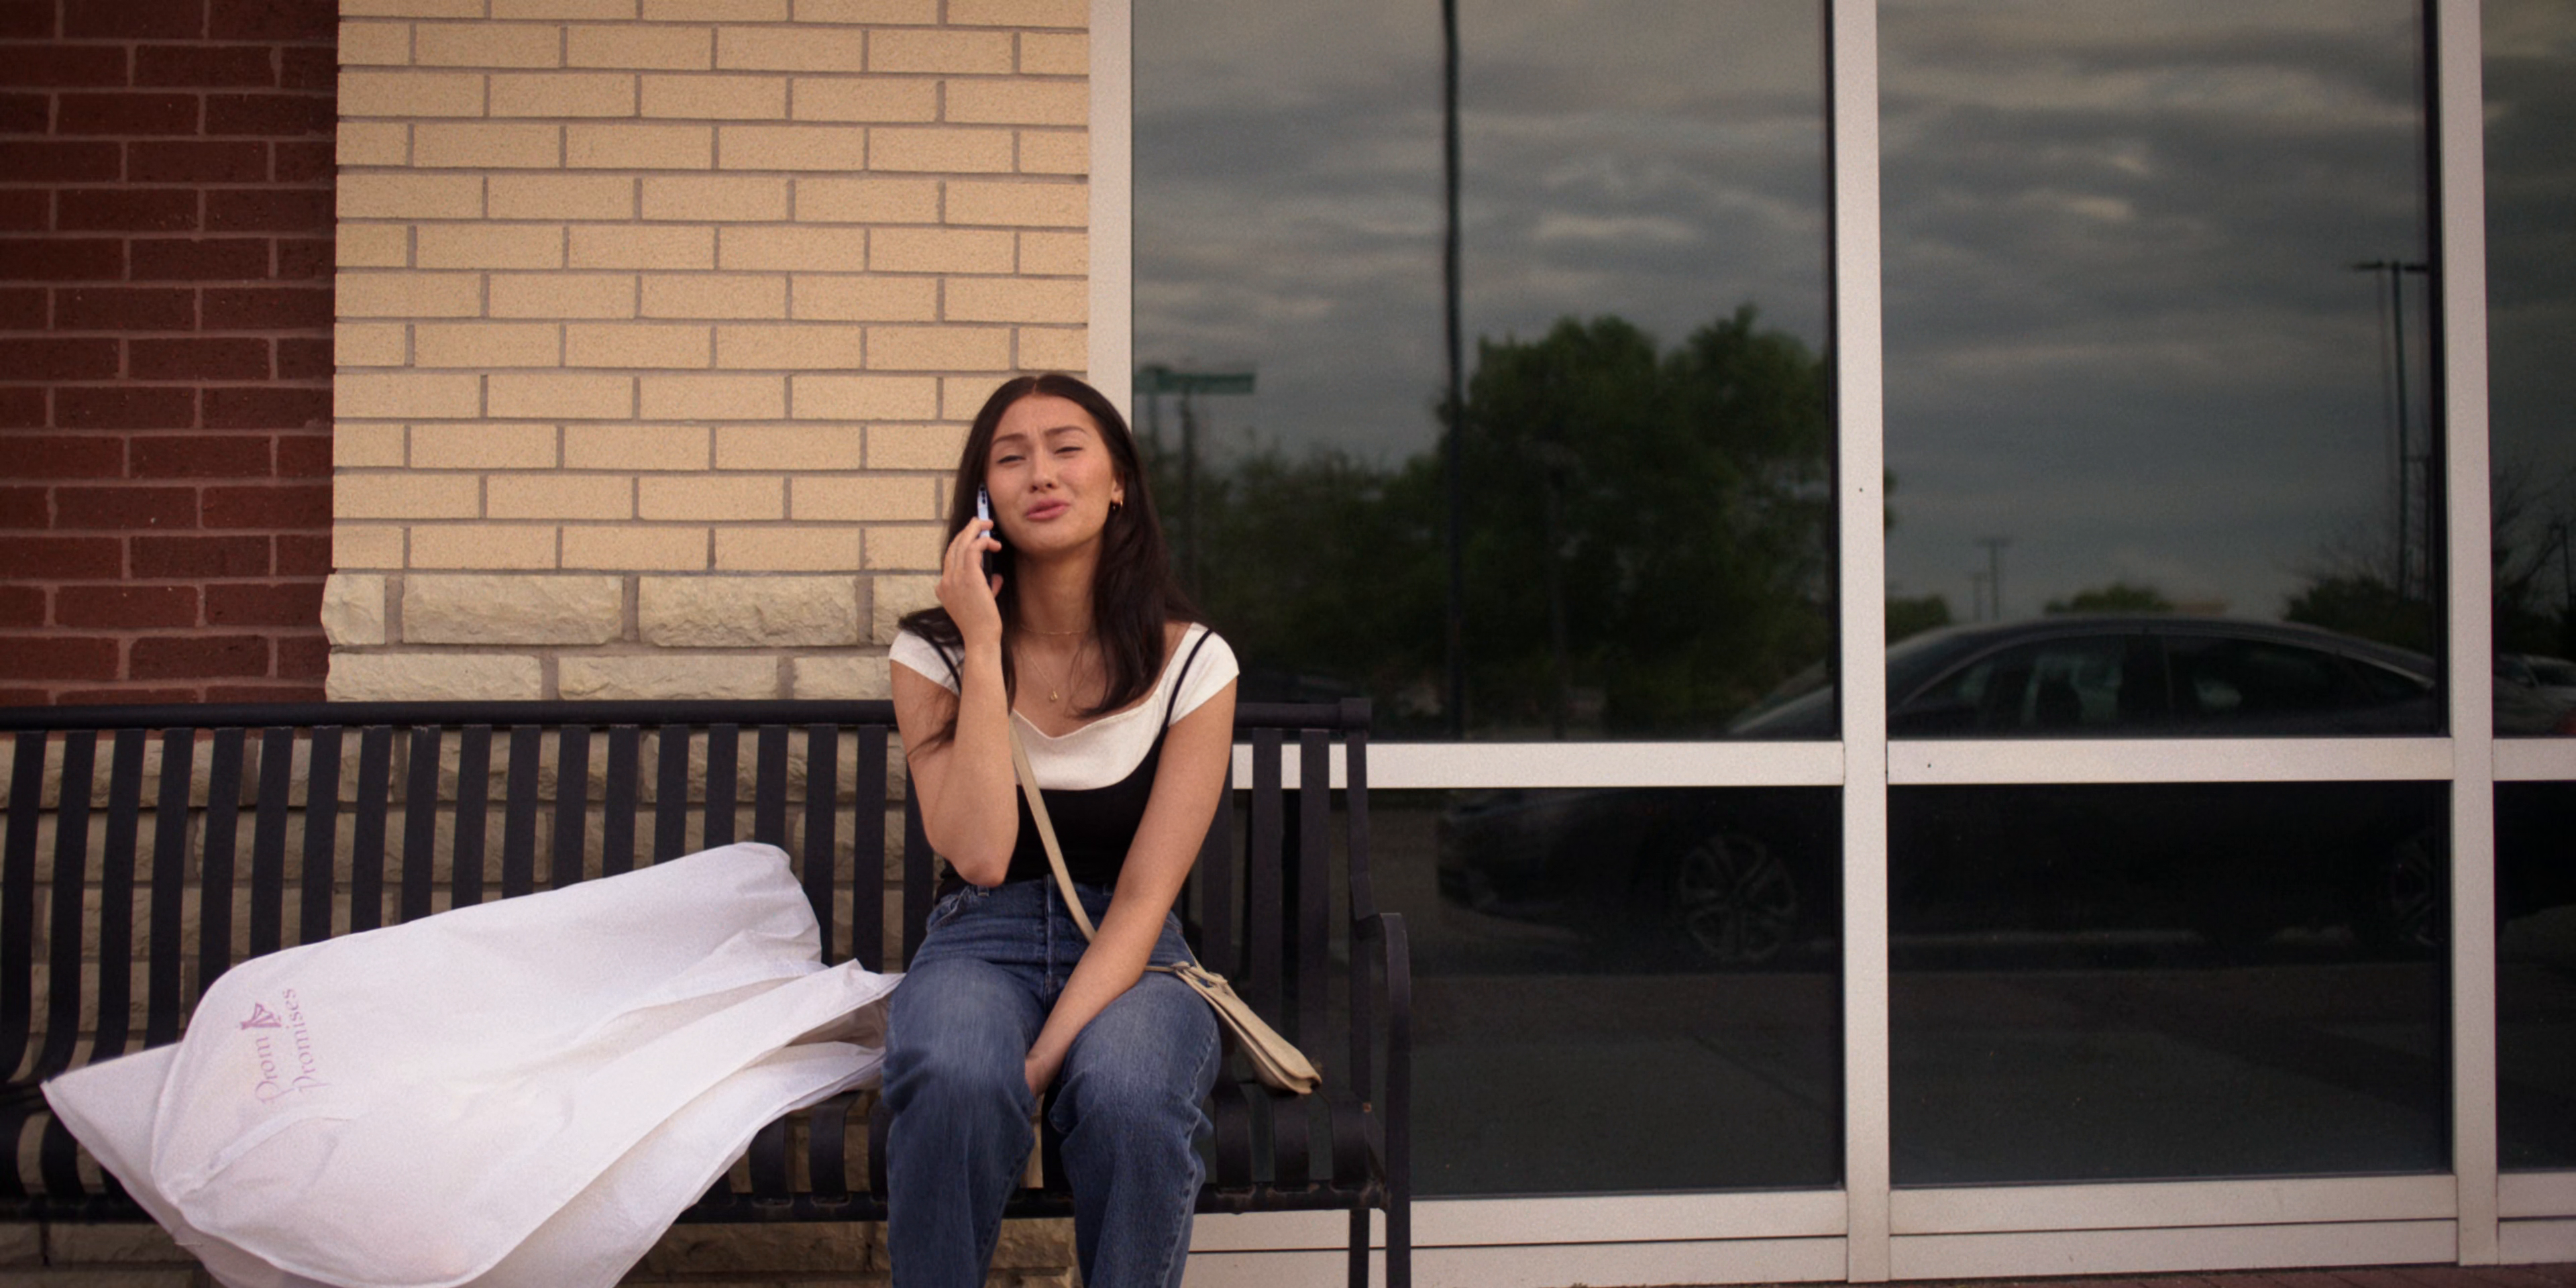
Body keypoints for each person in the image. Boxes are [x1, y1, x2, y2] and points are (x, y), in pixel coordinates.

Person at [882, 372, 1239, 1288]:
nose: (1040, 473)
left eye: (1067, 448)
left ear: (1118, 481)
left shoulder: (1194, 661)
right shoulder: (933, 652)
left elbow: (1146, 898)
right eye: (1011, 458)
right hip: (978, 942)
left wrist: (1040, 1062)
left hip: (1134, 952)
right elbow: (980, 855)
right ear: (983, 499)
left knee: (1130, 1093)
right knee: (956, 1074)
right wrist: (983, 642)